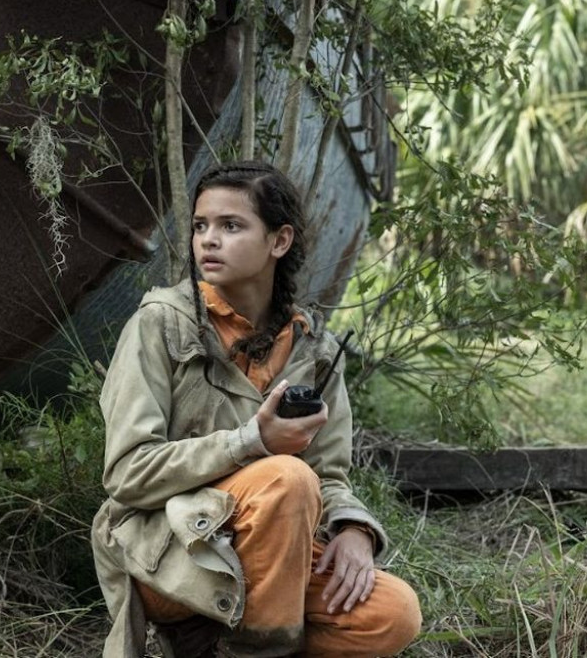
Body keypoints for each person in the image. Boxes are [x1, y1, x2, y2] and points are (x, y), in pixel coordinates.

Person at [91, 160, 422, 657]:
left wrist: (353, 527)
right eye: (200, 226)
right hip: (170, 551)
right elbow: (127, 473)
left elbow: (329, 476)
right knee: (287, 478)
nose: (208, 240)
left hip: (274, 556)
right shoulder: (160, 324)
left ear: (279, 241)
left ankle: (224, 643)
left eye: (231, 226)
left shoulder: (314, 351)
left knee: (392, 614)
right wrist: (252, 443)